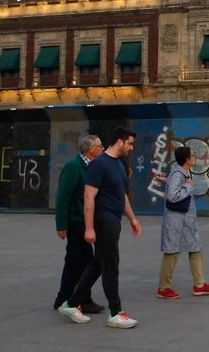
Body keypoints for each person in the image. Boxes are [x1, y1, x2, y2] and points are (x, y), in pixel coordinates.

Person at [58, 127, 142, 328]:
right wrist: (89, 228)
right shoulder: (99, 164)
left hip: (114, 221)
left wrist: (132, 218)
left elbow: (121, 195)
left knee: (98, 264)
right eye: (129, 143)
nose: (131, 148)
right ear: (119, 142)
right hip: (104, 222)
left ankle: (71, 303)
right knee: (111, 266)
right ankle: (116, 312)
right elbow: (89, 196)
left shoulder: (119, 165)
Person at [52, 134, 104, 314]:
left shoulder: (92, 166)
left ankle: (62, 298)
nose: (102, 149)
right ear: (91, 150)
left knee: (73, 262)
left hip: (84, 220)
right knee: (86, 262)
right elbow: (64, 197)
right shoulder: (74, 167)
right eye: (100, 146)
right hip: (76, 222)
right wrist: (61, 224)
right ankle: (84, 299)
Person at [157, 146, 209, 299]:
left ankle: (199, 284)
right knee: (172, 252)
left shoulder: (181, 172)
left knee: (195, 247)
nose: (195, 156)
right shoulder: (179, 174)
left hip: (186, 220)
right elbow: (172, 196)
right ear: (187, 159)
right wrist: (188, 187)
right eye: (192, 155)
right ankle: (163, 288)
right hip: (176, 220)